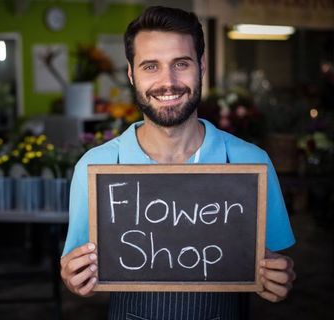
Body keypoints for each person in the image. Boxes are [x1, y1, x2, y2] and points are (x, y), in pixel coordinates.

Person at [60, 6, 296, 319]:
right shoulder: (95, 167)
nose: (167, 81)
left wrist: (279, 278)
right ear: (131, 74)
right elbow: (77, 268)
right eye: (150, 66)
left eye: (181, 64)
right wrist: (73, 277)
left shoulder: (251, 163)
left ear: (202, 66)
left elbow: (276, 265)